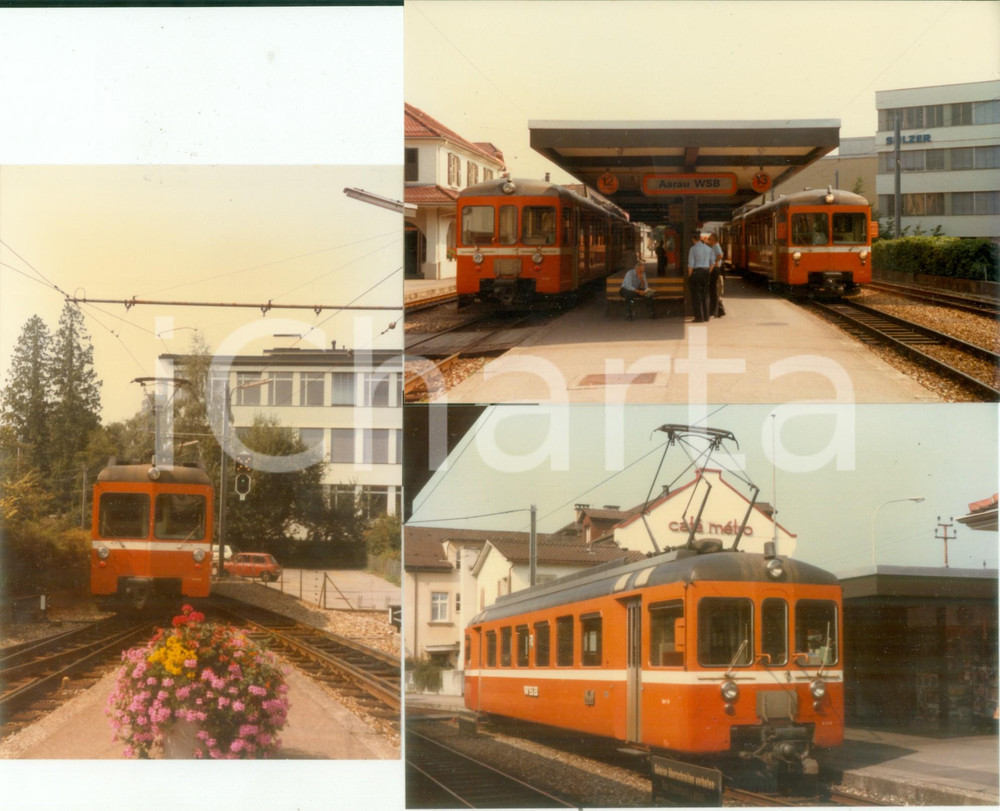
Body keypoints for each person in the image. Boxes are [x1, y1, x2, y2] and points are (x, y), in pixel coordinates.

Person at [687, 231, 713, 323]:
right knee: (705, 294)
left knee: (696, 295)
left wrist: (690, 276)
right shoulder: (708, 249)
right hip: (706, 272)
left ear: (693, 239)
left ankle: (699, 317)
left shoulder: (693, 249)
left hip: (696, 272)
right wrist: (707, 272)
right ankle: (706, 316)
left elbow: (691, 264)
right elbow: (712, 263)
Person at [706, 232, 726, 318]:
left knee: (713, 289)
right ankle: (720, 310)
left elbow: (720, 255)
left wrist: (714, 263)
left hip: (715, 269)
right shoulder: (714, 246)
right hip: (715, 268)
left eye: (710, 238)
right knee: (714, 289)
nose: (708, 240)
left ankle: (714, 311)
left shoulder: (716, 246)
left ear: (714, 239)